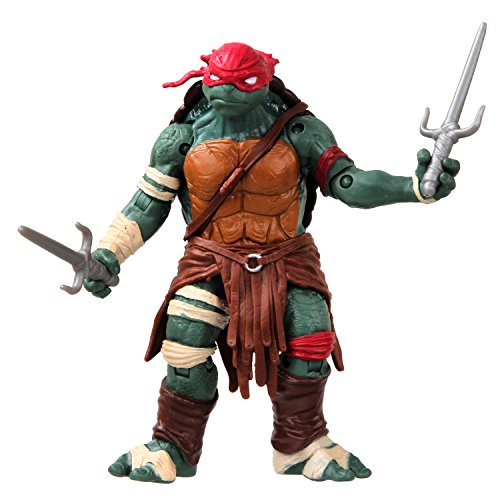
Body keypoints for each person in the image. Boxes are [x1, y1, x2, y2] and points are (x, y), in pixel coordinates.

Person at [83, 42, 459, 483]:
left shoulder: (300, 132)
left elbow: (348, 182)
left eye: (243, 81)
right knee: (184, 345)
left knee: (312, 338)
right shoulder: (180, 139)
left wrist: (412, 187)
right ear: (204, 80)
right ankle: (173, 446)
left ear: (265, 81)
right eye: (220, 81)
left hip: (287, 256)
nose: (229, 91)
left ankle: (301, 445)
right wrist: (109, 253)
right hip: (211, 259)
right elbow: (148, 203)